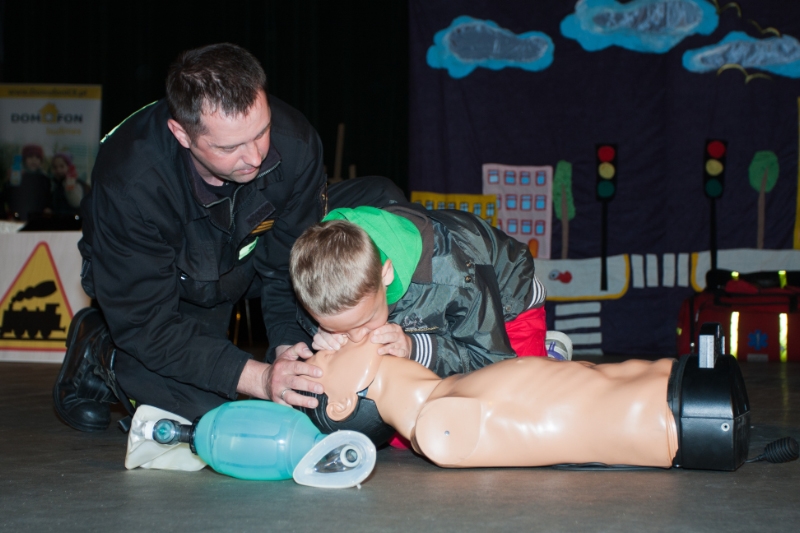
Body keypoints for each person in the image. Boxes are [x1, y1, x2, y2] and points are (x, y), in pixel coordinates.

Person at [53, 43, 406, 432]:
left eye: (261, 132)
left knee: (381, 199)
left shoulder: (295, 142)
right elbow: (150, 325)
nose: (254, 157)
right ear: (182, 134)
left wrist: (290, 348)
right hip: (171, 290)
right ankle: (102, 348)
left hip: (247, 258)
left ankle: (401, 337)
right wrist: (260, 378)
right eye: (229, 147)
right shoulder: (130, 182)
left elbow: (287, 265)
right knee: (208, 415)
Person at [301, 337, 746, 470]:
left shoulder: (447, 395)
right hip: (678, 415)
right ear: (341, 403)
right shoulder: (440, 428)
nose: (330, 340)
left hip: (684, 389)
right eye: (328, 355)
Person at [289, 204, 564, 381]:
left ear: (386, 274)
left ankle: (548, 357)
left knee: (518, 400)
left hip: (506, 311)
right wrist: (321, 331)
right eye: (341, 328)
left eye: (362, 323)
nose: (357, 336)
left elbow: (490, 361)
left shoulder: (455, 277)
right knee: (402, 426)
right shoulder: (336, 276)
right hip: (441, 318)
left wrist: (414, 347)